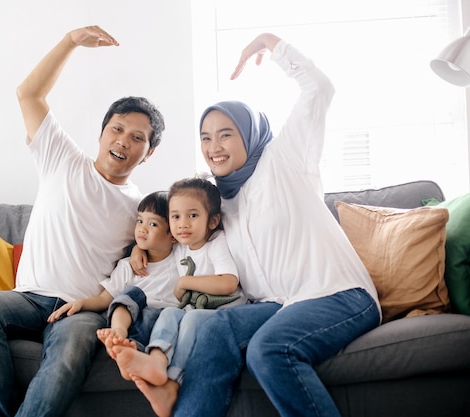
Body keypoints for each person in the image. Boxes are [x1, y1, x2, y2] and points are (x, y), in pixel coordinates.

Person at [132, 33, 382, 417]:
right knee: (211, 328)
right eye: (205, 138)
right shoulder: (217, 203)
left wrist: (271, 43)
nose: (213, 146)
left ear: (249, 134)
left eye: (226, 134)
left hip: (337, 294)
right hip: (278, 305)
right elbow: (180, 236)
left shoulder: (284, 161)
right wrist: (139, 247)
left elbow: (319, 89)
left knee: (270, 349)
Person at [0, 25, 165, 417]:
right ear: (103, 132)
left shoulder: (142, 207)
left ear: (148, 153)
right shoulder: (62, 159)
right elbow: (28, 94)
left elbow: (160, 251)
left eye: (137, 138)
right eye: (117, 129)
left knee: (71, 351)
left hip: (81, 309)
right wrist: (71, 42)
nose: (123, 141)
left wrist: (140, 249)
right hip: (27, 298)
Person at [113, 177, 242, 415]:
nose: (182, 225)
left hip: (226, 312)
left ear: (212, 221)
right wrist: (137, 248)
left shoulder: (216, 242)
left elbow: (229, 282)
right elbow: (154, 240)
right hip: (196, 311)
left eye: (192, 216)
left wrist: (185, 281)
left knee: (189, 318)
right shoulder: (180, 244)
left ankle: (173, 383)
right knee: (171, 312)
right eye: (175, 217)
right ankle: (156, 361)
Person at [47, 191, 180, 355]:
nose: (142, 229)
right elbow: (105, 299)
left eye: (153, 224)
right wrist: (81, 303)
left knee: (168, 314)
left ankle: (136, 352)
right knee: (130, 295)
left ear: (174, 234)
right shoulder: (127, 266)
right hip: (134, 320)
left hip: (165, 321)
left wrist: (137, 248)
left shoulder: (184, 258)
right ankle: (118, 333)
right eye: (139, 221)